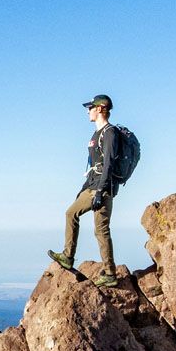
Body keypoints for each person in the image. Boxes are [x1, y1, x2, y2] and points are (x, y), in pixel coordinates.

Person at [48, 94, 120, 289]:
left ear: (100, 109)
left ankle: (68, 256)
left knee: (73, 214)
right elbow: (94, 166)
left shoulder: (110, 133)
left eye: (91, 107)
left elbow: (108, 164)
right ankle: (109, 273)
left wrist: (99, 191)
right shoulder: (97, 135)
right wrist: (83, 190)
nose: (88, 111)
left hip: (101, 188)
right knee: (101, 230)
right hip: (94, 186)